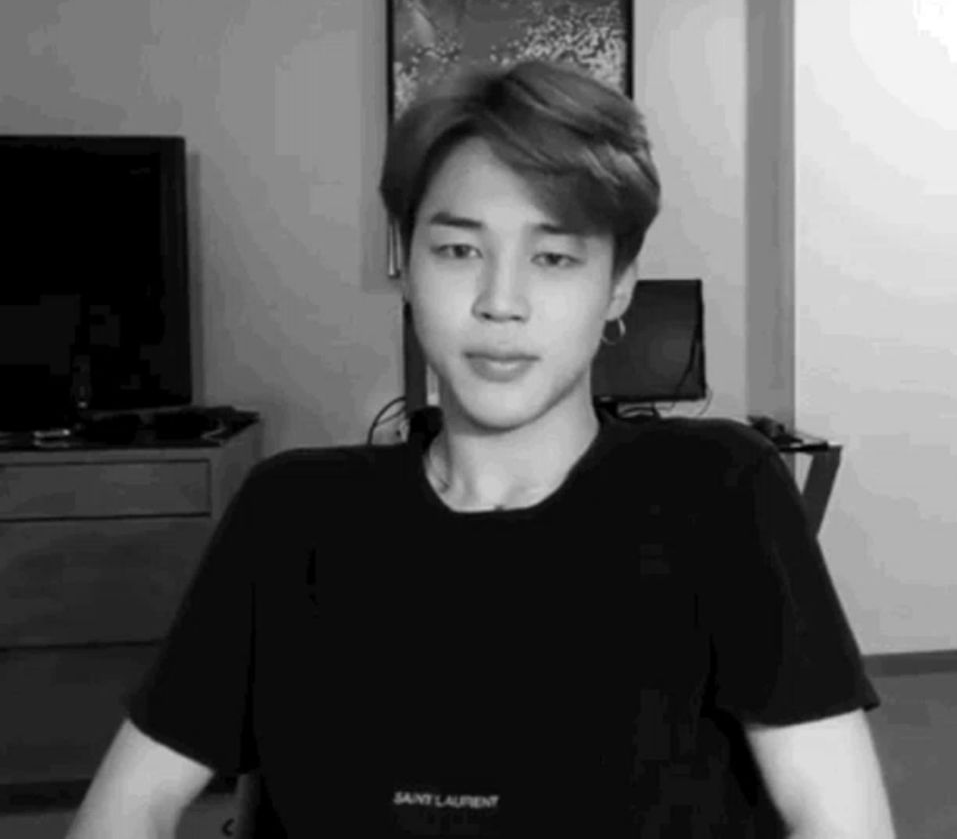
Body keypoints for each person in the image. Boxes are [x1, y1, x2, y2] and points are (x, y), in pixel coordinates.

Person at [65, 59, 897, 838]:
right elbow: (122, 812)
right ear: (403, 259)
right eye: (460, 250)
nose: (502, 301)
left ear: (618, 285)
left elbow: (841, 818)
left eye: (555, 256)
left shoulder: (719, 492)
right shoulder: (291, 513)